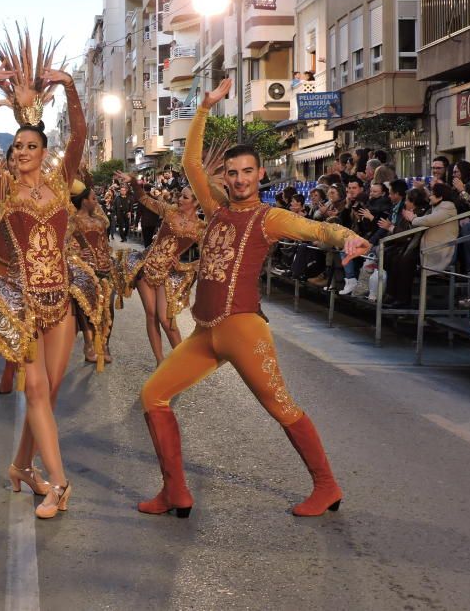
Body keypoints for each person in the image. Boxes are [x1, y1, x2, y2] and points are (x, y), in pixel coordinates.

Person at [137, 79, 370, 519]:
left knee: (281, 407)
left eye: (248, 172)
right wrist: (204, 108)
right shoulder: (217, 206)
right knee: (153, 396)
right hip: (205, 332)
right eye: (232, 173)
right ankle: (175, 492)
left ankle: (327, 486)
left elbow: (318, 230)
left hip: (243, 328)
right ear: (224, 176)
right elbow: (190, 161)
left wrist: (350, 238)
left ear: (260, 174)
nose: (240, 179)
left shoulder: (269, 218)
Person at [0, 32, 85, 520]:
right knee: (33, 392)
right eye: (17, 148)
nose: (21, 152)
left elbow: (79, 136)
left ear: (43, 151)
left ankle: (20, 467)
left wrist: (69, 86)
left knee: (46, 395)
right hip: (23, 303)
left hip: (62, 304)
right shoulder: (2, 192)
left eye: (31, 145)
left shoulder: (60, 186)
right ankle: (59, 484)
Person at [113, 170, 204, 365]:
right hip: (146, 266)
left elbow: (209, 257)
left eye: (185, 197)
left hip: (167, 274)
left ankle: (183, 363)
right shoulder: (170, 211)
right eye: (180, 195)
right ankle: (160, 360)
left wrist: (184, 265)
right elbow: (144, 199)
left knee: (166, 319)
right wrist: (135, 183)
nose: (179, 199)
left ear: (196, 202)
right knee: (152, 314)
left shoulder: (201, 228)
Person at [382, 182, 458, 309]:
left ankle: (403, 299)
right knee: (396, 258)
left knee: (405, 261)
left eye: (433, 194)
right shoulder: (435, 207)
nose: (430, 197)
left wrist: (412, 218)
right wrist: (414, 219)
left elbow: (428, 221)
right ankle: (393, 295)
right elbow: (422, 222)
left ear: (440, 197)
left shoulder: (447, 207)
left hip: (438, 249)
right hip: (426, 247)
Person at [69, 178, 114, 367]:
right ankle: (89, 344)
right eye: (94, 198)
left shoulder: (100, 219)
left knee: (108, 308)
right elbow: (64, 244)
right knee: (86, 308)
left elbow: (105, 241)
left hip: (105, 268)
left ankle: (104, 343)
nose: (97, 202)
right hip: (85, 270)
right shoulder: (72, 220)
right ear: (84, 200)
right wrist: (78, 253)